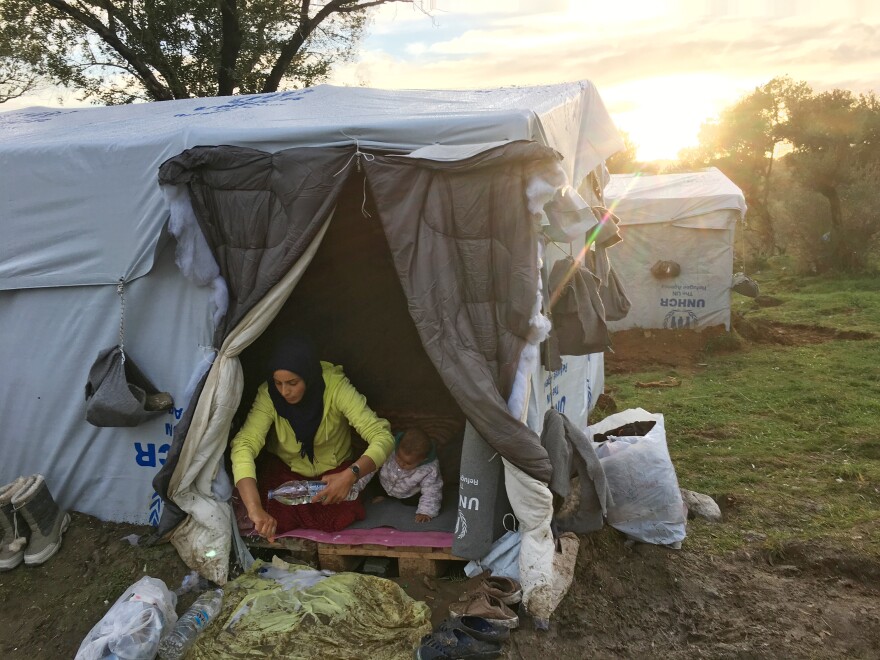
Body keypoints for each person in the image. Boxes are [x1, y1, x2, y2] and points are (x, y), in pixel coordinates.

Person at [231, 336, 395, 541]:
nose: (284, 392)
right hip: (287, 473)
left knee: (337, 515)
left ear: (308, 375)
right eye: (278, 383)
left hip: (333, 475)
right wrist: (254, 509)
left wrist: (351, 474)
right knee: (265, 511)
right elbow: (244, 444)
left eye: (292, 383)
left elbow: (382, 435)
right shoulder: (269, 395)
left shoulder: (335, 387)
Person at [361, 428, 443, 523]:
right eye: (398, 458)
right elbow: (370, 465)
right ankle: (381, 494)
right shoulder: (389, 446)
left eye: (408, 463)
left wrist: (426, 512)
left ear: (423, 460)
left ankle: (421, 506)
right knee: (374, 484)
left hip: (409, 493)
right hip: (385, 482)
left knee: (414, 501)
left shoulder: (430, 468)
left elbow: (432, 490)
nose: (401, 463)